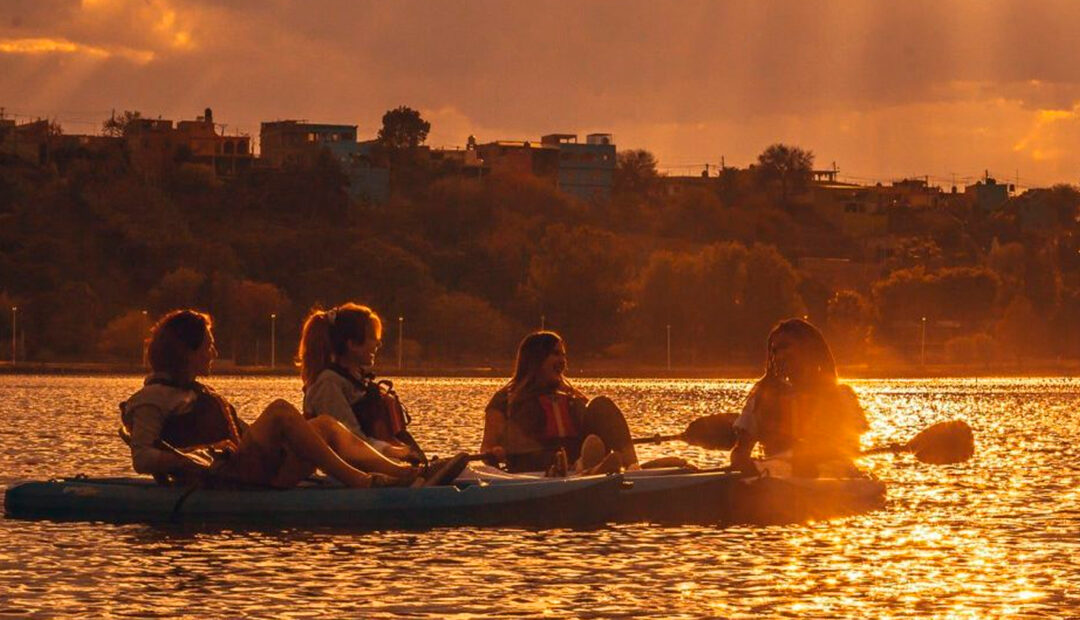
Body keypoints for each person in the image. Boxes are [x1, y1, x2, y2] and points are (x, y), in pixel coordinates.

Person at [120, 310, 450, 489]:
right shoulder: (152, 399)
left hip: (248, 470)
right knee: (280, 409)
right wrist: (184, 460)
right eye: (207, 346)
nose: (214, 352)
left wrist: (291, 438)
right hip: (222, 477)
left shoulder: (198, 392)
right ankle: (362, 482)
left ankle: (403, 474)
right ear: (186, 352)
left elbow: (241, 434)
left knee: (324, 425)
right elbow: (142, 457)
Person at [480, 331, 637, 475]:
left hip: (575, 460)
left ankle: (632, 467)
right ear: (536, 359)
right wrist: (495, 452)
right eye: (555, 354)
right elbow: (487, 448)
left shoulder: (571, 396)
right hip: (534, 469)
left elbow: (600, 425)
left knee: (602, 405)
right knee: (559, 460)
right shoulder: (504, 399)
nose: (563, 361)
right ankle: (584, 469)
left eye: (563, 355)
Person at [729, 318, 868, 477]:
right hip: (776, 473)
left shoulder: (840, 395)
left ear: (808, 349)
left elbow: (852, 446)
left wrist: (812, 455)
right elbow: (741, 449)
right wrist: (740, 461)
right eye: (775, 351)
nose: (779, 356)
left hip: (833, 473)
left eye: (785, 347)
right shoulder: (763, 396)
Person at [298, 303, 426, 465]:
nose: (378, 344)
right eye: (373, 338)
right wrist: (394, 453)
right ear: (352, 345)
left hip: (383, 462)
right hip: (351, 472)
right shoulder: (328, 383)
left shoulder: (358, 381)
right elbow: (350, 443)